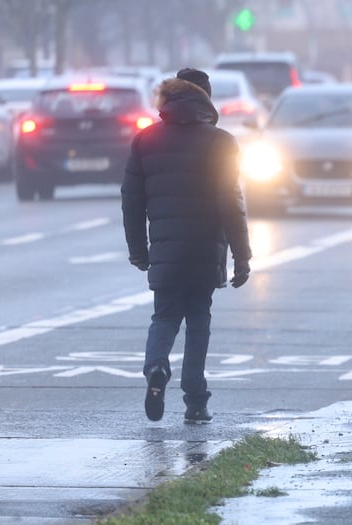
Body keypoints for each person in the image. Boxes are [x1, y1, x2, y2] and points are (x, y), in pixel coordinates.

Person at [122, 68, 251, 423]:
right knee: (198, 320)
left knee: (164, 317)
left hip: (165, 252)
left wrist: (138, 250)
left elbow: (131, 201)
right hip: (205, 251)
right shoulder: (222, 142)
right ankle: (195, 401)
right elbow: (232, 203)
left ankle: (156, 367)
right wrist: (242, 257)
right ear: (206, 98)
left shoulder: (145, 140)